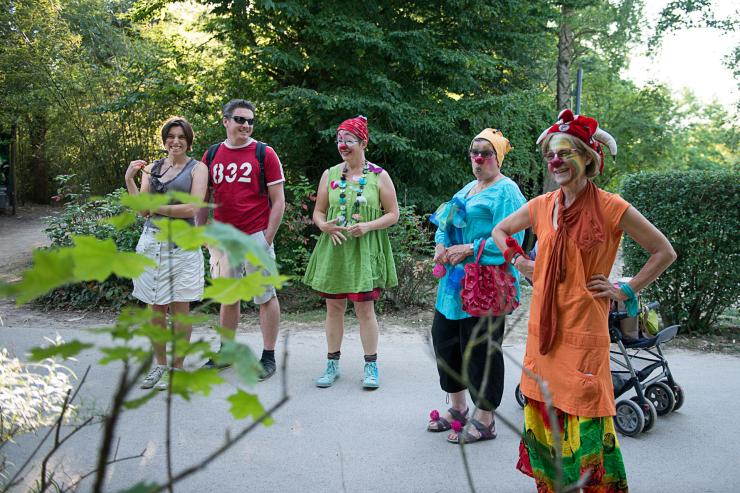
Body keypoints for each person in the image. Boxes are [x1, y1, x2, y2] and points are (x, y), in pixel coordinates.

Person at [492, 109, 676, 492]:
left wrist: (625, 288)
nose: (555, 161)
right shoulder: (543, 205)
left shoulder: (612, 207)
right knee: (547, 420)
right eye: (551, 155)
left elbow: (663, 251)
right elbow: (501, 230)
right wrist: (521, 261)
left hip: (584, 331)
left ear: (587, 158)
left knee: (587, 420)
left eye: (565, 153)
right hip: (543, 335)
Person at [426, 128, 526, 443]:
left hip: (485, 286)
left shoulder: (506, 192)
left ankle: (485, 419)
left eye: (486, 153)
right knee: (445, 342)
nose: (478, 158)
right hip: (454, 288)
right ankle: (457, 410)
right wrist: (441, 245)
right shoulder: (469, 187)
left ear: (498, 157)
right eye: (474, 152)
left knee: (481, 350)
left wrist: (469, 249)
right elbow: (445, 223)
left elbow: (513, 241)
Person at [303, 115, 399, 389]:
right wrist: (324, 226)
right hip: (335, 251)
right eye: (339, 140)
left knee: (364, 310)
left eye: (349, 140)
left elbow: (393, 214)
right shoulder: (330, 174)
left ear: (363, 142)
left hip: (364, 251)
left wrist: (367, 225)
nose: (343, 145)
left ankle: (371, 366)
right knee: (333, 309)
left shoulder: (379, 176)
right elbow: (318, 213)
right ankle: (332, 364)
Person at [196, 99, 286, 381]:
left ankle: (268, 356)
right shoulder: (211, 155)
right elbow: (202, 198)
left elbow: (279, 200)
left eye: (250, 121)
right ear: (225, 121)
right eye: (239, 119)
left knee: (265, 296)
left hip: (255, 236)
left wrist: (267, 237)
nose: (246, 125)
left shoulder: (264, 153)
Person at [124, 116, 209, 390]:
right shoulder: (152, 168)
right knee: (156, 310)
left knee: (180, 309)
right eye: (171, 136)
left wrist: (156, 207)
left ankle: (177, 368)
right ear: (164, 140)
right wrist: (130, 180)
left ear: (188, 141)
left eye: (181, 137)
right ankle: (159, 365)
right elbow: (141, 210)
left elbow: (191, 209)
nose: (176, 141)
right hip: (152, 243)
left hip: (183, 247)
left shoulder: (198, 169)